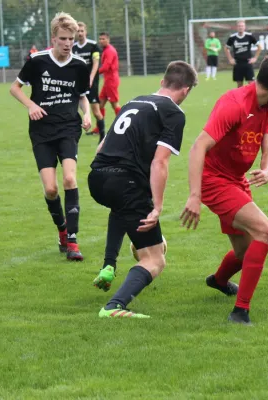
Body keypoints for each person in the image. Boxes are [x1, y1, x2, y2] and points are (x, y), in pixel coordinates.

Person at [180, 54, 268, 325]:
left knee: (246, 252)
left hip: (236, 179)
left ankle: (219, 280)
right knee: (265, 232)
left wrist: (267, 169)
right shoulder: (234, 104)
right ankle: (240, 311)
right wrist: (194, 196)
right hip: (213, 180)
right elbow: (198, 147)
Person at [88, 60, 198, 318]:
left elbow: (101, 147)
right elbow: (160, 161)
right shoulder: (173, 113)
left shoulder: (134, 101)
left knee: (123, 210)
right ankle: (114, 307)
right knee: (155, 260)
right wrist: (157, 207)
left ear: (162, 82)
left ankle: (109, 264)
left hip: (97, 178)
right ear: (186, 90)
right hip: (125, 184)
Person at [10, 12, 91, 261]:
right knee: (51, 189)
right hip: (42, 132)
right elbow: (15, 88)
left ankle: (74, 242)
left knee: (69, 179)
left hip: (68, 128)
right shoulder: (37, 61)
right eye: (63, 39)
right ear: (53, 38)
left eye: (72, 39)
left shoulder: (79, 65)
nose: (68, 44)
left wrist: (87, 114)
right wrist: (31, 106)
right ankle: (62, 230)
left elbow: (82, 96)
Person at [72, 22, 105, 140]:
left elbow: (96, 64)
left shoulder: (93, 46)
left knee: (96, 111)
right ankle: (72, 135)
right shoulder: (73, 47)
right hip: (76, 84)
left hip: (91, 84)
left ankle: (103, 136)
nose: (80, 33)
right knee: (72, 110)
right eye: (78, 31)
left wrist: (90, 79)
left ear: (86, 32)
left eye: (82, 31)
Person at [96, 32, 121, 141]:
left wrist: (94, 72)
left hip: (111, 81)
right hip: (107, 82)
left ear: (108, 39)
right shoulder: (106, 50)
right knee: (100, 104)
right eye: (100, 39)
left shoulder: (110, 51)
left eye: (103, 39)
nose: (101, 41)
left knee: (114, 104)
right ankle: (98, 128)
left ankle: (123, 124)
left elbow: (106, 67)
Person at [225, 20, 262, 88]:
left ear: (244, 27)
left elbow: (259, 47)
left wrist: (255, 58)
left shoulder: (249, 36)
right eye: (239, 26)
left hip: (248, 63)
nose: (240, 27)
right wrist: (230, 59)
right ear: (237, 27)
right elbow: (226, 48)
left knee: (251, 83)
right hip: (237, 63)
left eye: (242, 26)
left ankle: (251, 98)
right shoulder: (232, 37)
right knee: (239, 85)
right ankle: (241, 98)